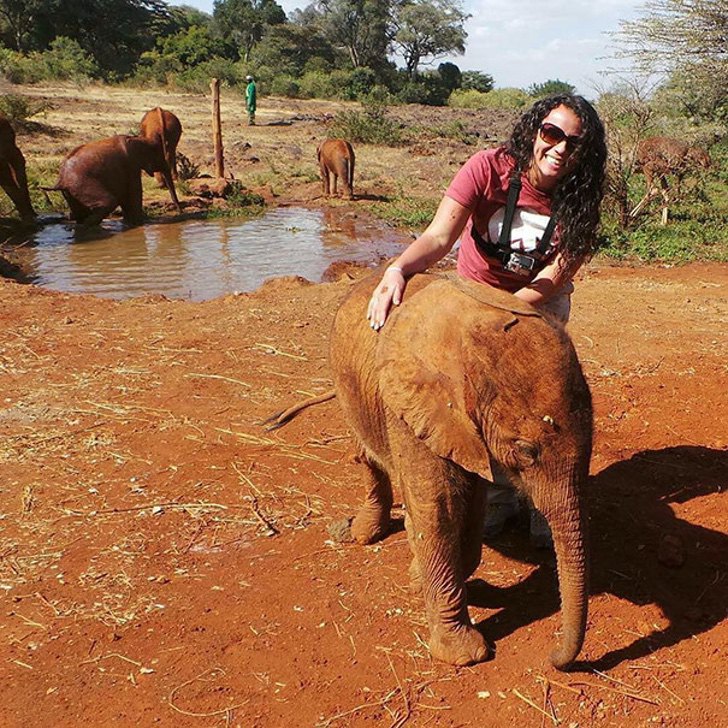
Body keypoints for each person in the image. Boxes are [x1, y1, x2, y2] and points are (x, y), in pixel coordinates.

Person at [366, 93, 608, 547]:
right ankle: (497, 496)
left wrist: (511, 315)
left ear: (584, 155)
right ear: (535, 131)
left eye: (574, 144)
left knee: (540, 407)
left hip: (537, 305)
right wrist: (398, 269)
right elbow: (440, 236)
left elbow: (554, 277)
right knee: (479, 403)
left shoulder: (581, 201)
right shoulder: (487, 168)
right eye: (551, 134)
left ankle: (544, 502)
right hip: (473, 299)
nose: (559, 149)